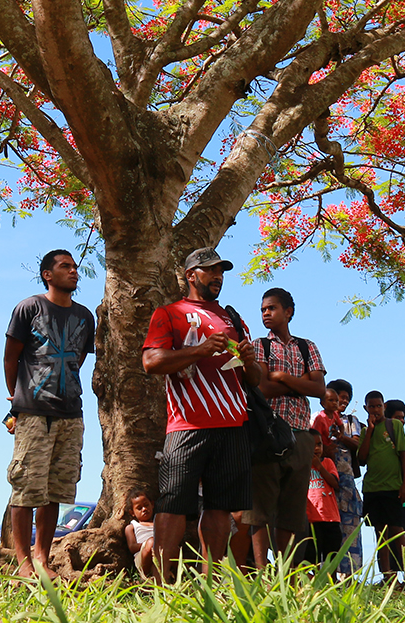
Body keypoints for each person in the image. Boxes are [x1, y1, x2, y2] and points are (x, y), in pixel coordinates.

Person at [141, 247, 264, 581]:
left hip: (233, 423)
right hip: (187, 424)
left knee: (221, 507)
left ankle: (210, 583)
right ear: (191, 275)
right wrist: (198, 350)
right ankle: (163, 582)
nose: (217, 276)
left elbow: (254, 380)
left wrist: (251, 362)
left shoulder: (233, 319)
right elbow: (151, 362)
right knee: (172, 503)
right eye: (210, 270)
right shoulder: (170, 313)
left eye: (221, 271)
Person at [3, 248, 96, 576]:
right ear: (47, 274)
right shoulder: (29, 308)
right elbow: (10, 357)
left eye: (74, 267)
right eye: (64, 266)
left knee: (56, 489)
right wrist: (16, 400)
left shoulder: (85, 317)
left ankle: (42, 557)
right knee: (27, 486)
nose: (73, 271)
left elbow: (78, 360)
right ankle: (23, 561)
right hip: (33, 411)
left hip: (71, 413)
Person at [244, 287, 324, 566]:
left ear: (288, 312)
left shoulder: (307, 347)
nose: (266, 313)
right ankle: (261, 568)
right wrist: (296, 380)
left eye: (272, 308)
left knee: (292, 509)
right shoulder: (258, 346)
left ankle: (286, 572)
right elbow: (262, 387)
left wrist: (281, 376)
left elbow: (319, 389)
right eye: (263, 309)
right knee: (261, 508)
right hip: (267, 433)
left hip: (301, 433)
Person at [358, 393, 405, 583]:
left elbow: (404, 455)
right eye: (371, 407)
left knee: (398, 531)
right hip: (372, 488)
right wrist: (370, 430)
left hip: (392, 487)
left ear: (383, 406)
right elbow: (362, 459)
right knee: (380, 534)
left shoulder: (394, 425)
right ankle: (388, 577)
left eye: (378, 406)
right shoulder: (366, 432)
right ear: (366, 409)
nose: (375, 410)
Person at [322, 379, 364, 575]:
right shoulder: (318, 418)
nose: (343, 401)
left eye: (347, 398)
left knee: (349, 527)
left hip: (346, 480)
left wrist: (341, 437)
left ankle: (349, 576)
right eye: (340, 396)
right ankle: (326, 574)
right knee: (326, 525)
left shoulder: (350, 422)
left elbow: (357, 445)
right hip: (322, 479)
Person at [299, 429, 342, 569]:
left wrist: (319, 467)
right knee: (312, 558)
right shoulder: (301, 466)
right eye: (312, 445)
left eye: (319, 444)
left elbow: (335, 483)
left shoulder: (328, 462)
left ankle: (332, 584)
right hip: (311, 520)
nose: (316, 448)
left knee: (332, 557)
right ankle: (314, 586)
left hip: (330, 519)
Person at [124, 489, 157, 578]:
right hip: (143, 557)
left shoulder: (158, 524)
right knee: (151, 542)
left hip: (160, 553)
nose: (144, 509)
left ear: (152, 504)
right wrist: (150, 544)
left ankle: (180, 573)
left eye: (146, 505)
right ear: (132, 512)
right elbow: (132, 547)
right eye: (139, 508)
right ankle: (145, 576)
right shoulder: (132, 526)